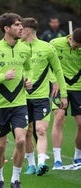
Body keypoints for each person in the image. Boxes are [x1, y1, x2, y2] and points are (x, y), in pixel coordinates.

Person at [0, 13, 32, 188]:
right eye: (17, 25)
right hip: (0, 105)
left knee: (21, 140)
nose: (21, 28)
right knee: (0, 146)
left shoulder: (24, 49)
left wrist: (27, 80)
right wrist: (2, 76)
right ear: (7, 29)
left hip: (19, 104)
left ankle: (15, 179)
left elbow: (28, 69)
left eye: (21, 25)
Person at [20, 18, 68, 176]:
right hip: (21, 98)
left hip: (41, 98)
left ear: (27, 31)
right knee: (27, 132)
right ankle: (31, 164)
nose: (19, 31)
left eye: (21, 29)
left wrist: (63, 95)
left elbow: (58, 71)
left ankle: (41, 163)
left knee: (40, 130)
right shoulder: (17, 48)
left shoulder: (47, 48)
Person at [50, 28, 81, 169]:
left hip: (78, 88)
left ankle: (77, 156)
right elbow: (47, 63)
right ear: (70, 38)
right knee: (59, 118)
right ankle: (57, 159)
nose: (77, 47)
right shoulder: (55, 44)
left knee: (80, 124)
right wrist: (53, 81)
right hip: (59, 87)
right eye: (76, 44)